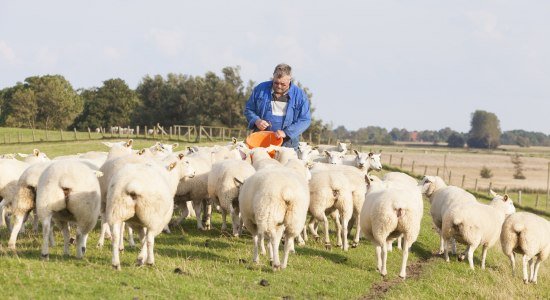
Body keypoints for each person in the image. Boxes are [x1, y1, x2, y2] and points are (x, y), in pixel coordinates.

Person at [244, 63, 311, 149]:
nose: (279, 86)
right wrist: (256, 121)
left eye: (283, 84)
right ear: (273, 76)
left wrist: (286, 133)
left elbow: (305, 119)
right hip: (261, 141)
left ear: (290, 79)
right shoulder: (260, 89)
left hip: (287, 145)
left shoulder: (300, 96)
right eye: (276, 83)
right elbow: (249, 109)